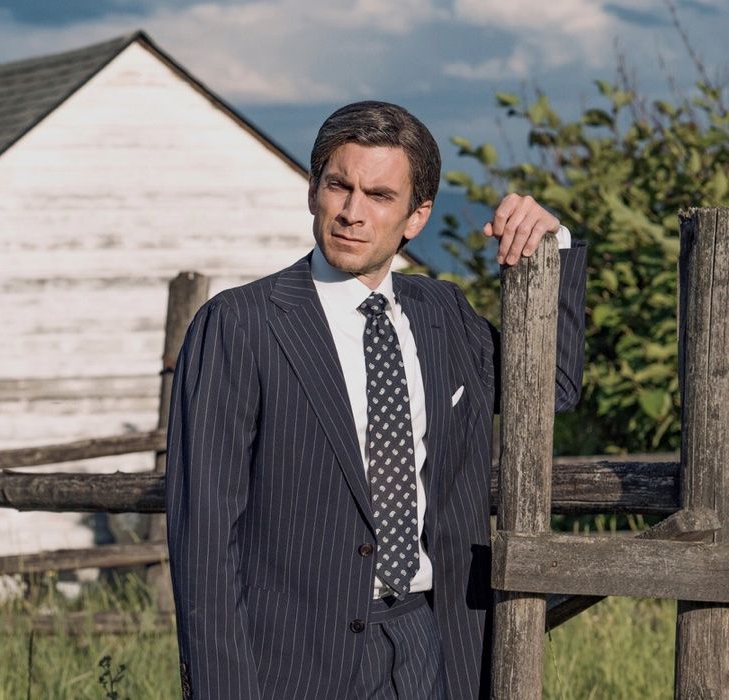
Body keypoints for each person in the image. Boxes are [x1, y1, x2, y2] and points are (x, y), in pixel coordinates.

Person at [165, 100, 587, 699]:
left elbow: (555, 390)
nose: (351, 213)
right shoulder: (239, 326)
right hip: (292, 658)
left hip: (431, 641)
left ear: (417, 216)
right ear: (314, 190)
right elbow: (204, 539)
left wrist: (554, 244)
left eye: (380, 196)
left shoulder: (442, 314)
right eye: (339, 186)